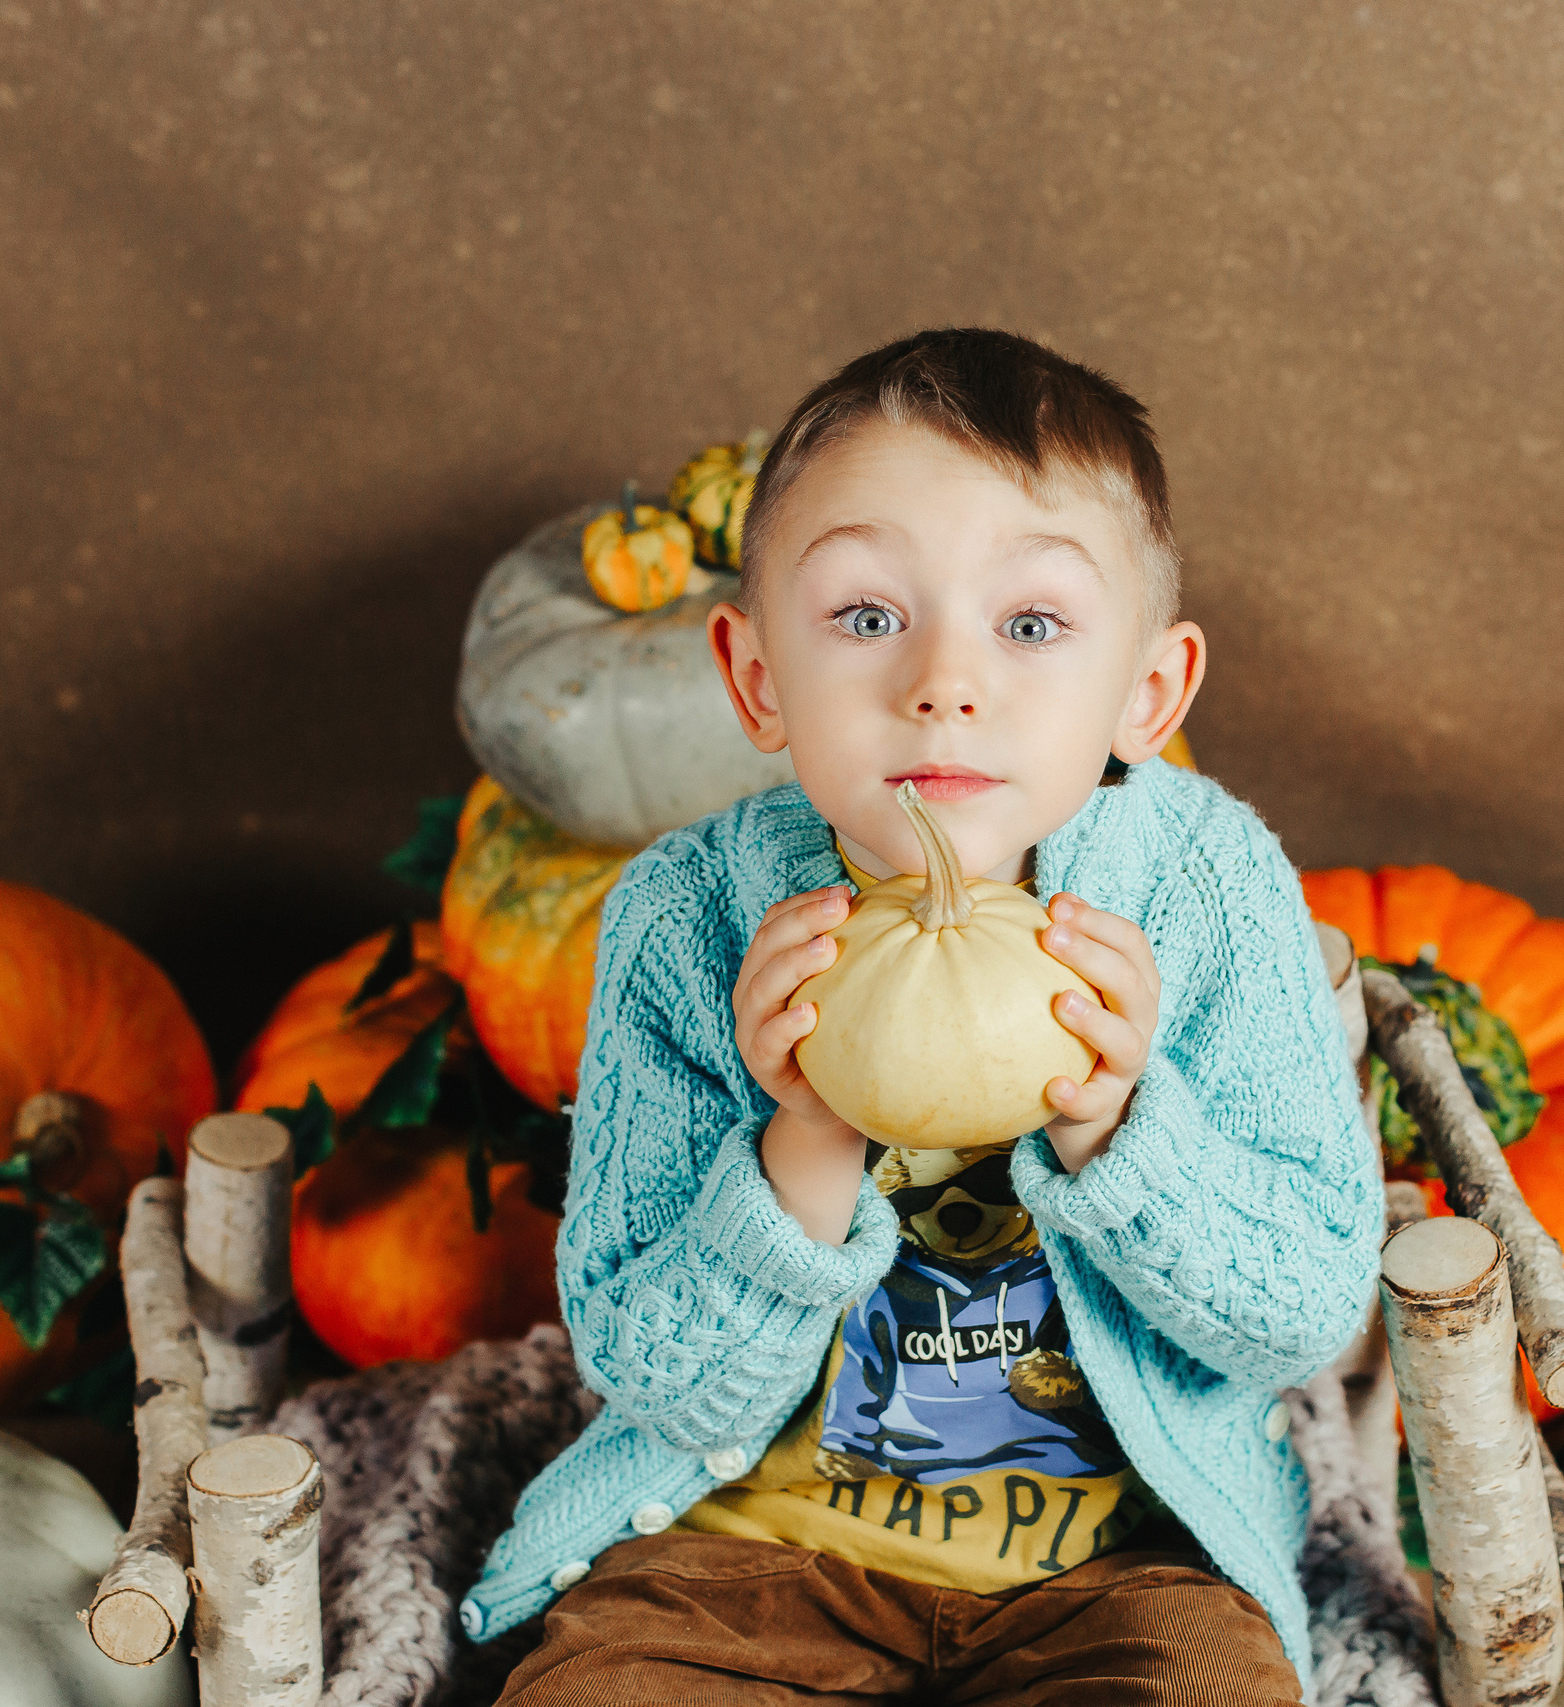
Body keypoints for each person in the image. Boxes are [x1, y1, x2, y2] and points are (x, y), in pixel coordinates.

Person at [466, 328, 1382, 1704]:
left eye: (1029, 624)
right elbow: (645, 1367)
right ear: (757, 676)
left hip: (1119, 1580)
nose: (944, 681)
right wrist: (804, 1146)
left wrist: (1121, 1133)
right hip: (734, 1571)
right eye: (868, 616)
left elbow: (1300, 1316)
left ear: (1149, 692)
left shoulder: (1205, 887)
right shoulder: (685, 918)